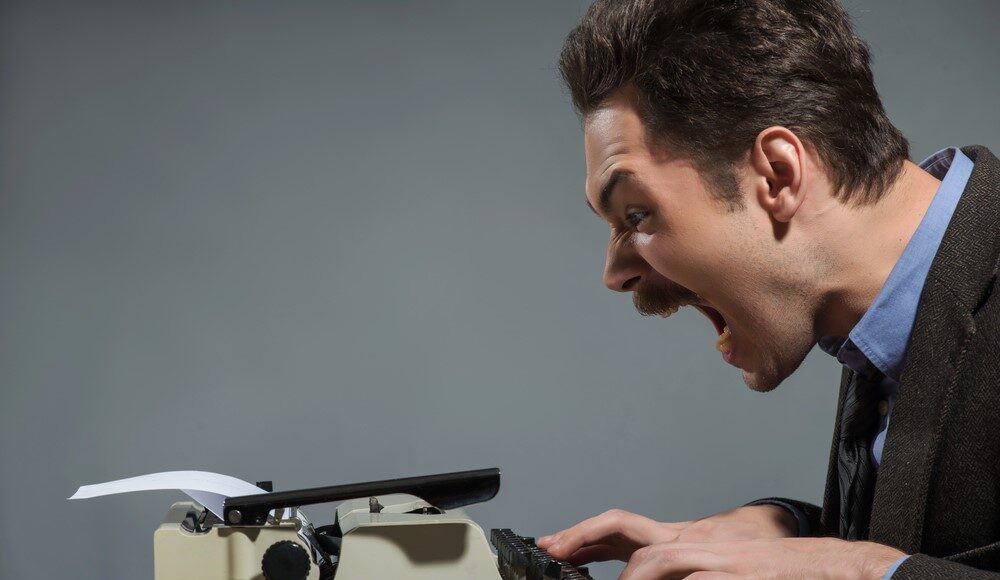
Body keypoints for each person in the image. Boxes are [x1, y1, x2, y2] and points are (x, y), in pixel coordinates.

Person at [536, 1, 1000, 579]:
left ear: (777, 175)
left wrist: (855, 572)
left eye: (636, 213)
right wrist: (790, 532)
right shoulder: (872, 317)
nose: (616, 274)